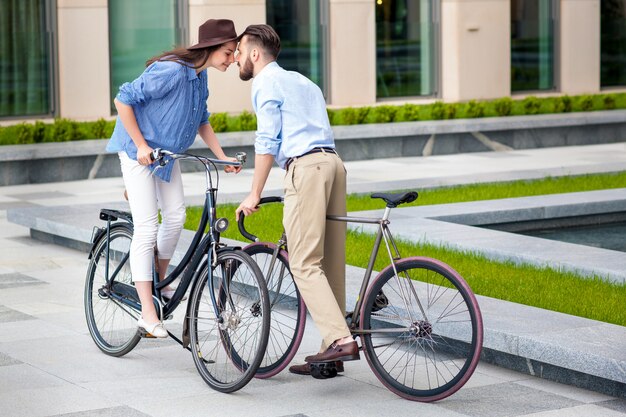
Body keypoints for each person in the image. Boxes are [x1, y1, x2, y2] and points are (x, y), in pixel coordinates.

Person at [234, 24, 359, 375]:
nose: (238, 59)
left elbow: (267, 141)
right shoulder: (304, 82)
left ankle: (339, 340)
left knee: (303, 263)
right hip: (334, 164)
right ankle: (330, 353)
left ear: (255, 53)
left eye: (241, 52)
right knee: (330, 264)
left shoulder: (264, 83)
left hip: (306, 168)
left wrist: (254, 193)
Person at [106, 19, 241, 338]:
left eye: (234, 53)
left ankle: (159, 281)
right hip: (139, 151)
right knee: (148, 226)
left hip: (165, 157)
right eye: (229, 52)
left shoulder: (201, 76)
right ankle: (148, 314)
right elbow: (122, 100)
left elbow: (202, 119)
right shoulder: (171, 70)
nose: (233, 59)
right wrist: (140, 145)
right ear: (210, 48)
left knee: (177, 216)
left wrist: (221, 156)